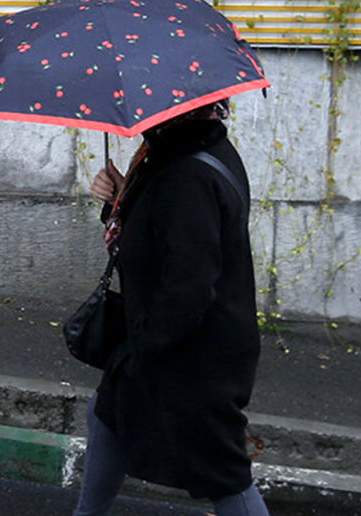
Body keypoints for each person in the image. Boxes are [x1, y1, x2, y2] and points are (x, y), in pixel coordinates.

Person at [74, 99, 269, 516]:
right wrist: (120, 199)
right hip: (168, 342)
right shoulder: (174, 155)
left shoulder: (189, 174)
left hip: (196, 357)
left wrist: (143, 349)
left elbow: (189, 285)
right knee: (106, 415)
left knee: (224, 475)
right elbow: (155, 238)